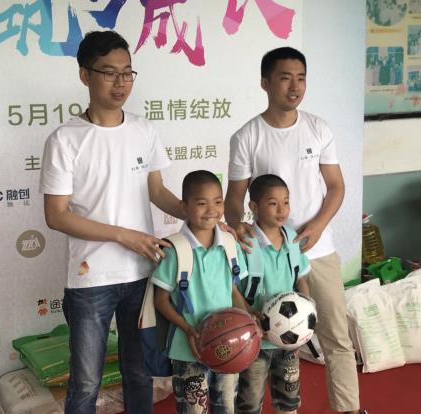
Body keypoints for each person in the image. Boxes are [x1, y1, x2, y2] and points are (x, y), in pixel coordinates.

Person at [40, 31, 185, 413]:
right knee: (86, 383)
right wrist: (124, 236)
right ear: (85, 75)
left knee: (139, 373)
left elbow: (157, 191)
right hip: (91, 279)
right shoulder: (65, 139)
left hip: (142, 272)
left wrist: (201, 216)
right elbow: (56, 215)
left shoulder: (143, 130)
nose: (120, 83)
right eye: (109, 72)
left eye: (127, 73)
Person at [225, 47, 365, 414]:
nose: (295, 86)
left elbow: (336, 186)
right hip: (268, 257)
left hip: (317, 250)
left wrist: (318, 225)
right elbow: (234, 199)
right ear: (265, 83)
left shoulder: (318, 129)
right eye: (285, 78)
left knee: (337, 337)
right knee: (261, 339)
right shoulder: (247, 136)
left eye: (301, 78)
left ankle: (348, 409)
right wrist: (239, 229)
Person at [152, 170, 250, 414]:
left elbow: (233, 291)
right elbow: (161, 300)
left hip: (229, 347)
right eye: (201, 203)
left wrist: (249, 319)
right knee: (193, 410)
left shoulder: (230, 244)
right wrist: (188, 329)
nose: (211, 210)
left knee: (226, 407)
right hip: (189, 349)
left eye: (218, 202)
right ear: (184, 207)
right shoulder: (174, 249)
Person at [235, 174, 312, 414]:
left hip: (290, 338)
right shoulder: (245, 243)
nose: (282, 209)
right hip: (256, 339)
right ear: (254, 207)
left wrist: (307, 306)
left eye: (286, 202)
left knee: (289, 396)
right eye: (273, 203)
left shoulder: (292, 238)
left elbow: (301, 277)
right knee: (250, 399)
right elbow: (231, 287)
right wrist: (248, 313)